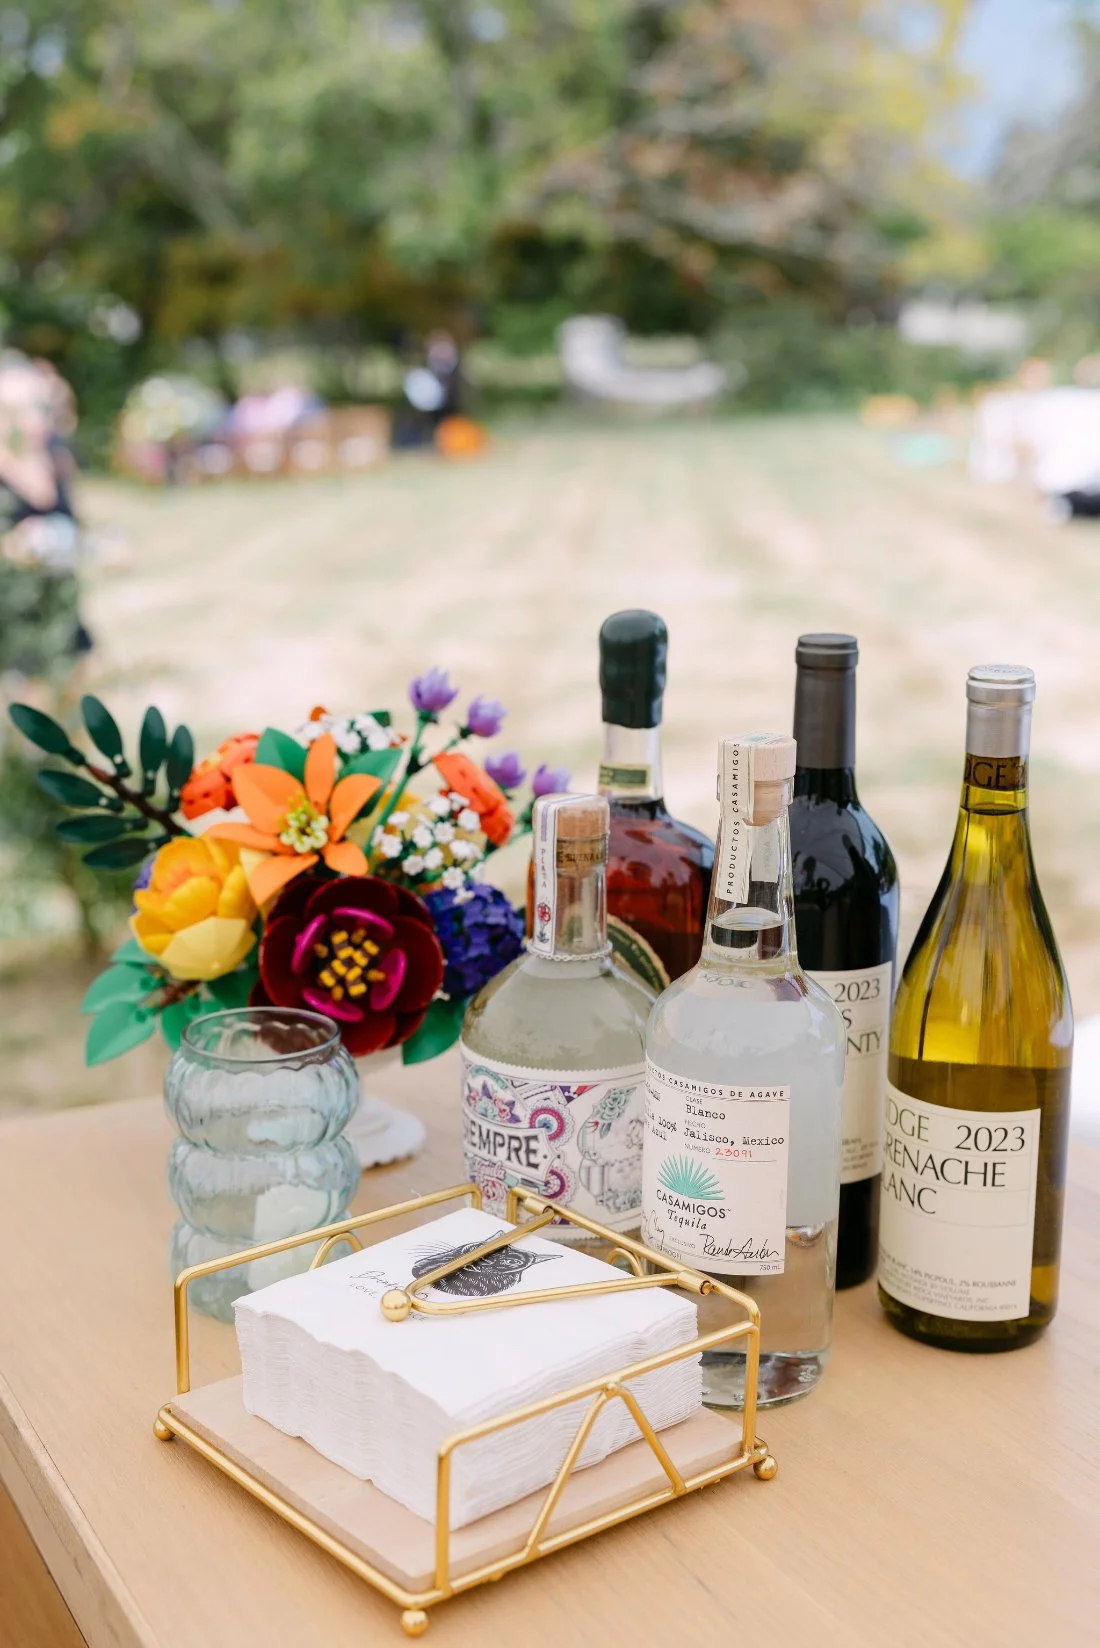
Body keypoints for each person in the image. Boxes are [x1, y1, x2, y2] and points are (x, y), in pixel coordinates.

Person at [0, 352, 91, 682]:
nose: (35, 419)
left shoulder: (56, 459)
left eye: (41, 407)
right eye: (18, 410)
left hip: (62, 622)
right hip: (11, 634)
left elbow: (74, 526)